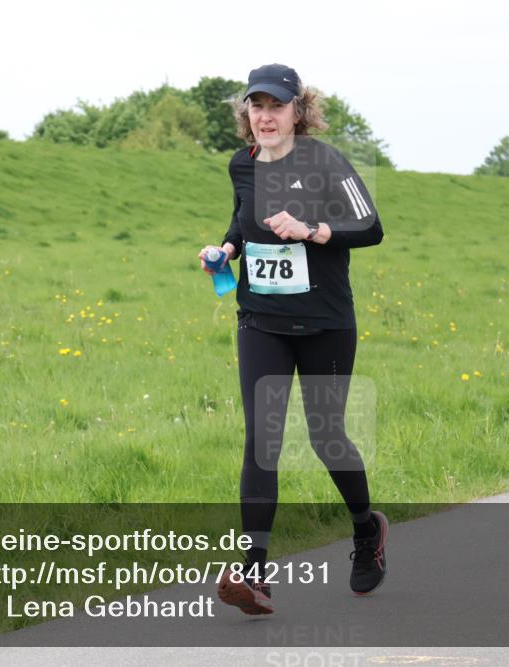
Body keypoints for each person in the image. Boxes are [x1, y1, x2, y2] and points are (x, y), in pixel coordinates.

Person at [198, 64, 388, 616]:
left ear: (297, 112)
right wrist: (226, 250)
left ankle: (365, 531)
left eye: (276, 106)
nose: (265, 116)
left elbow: (371, 227)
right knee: (263, 439)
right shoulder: (243, 163)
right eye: (256, 107)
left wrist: (312, 231)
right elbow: (243, 219)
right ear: (246, 113)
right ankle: (255, 575)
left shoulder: (325, 161)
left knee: (328, 437)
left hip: (325, 322)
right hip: (260, 319)